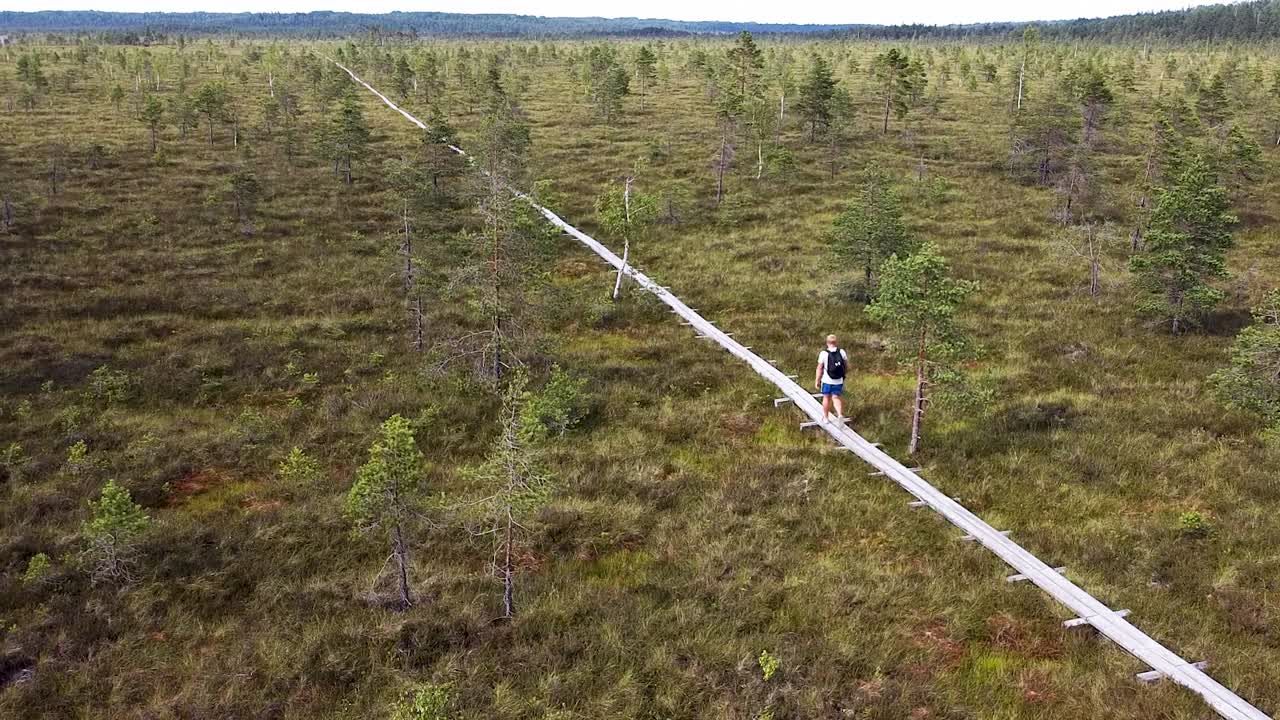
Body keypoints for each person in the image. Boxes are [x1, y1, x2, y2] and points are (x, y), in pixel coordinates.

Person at [814, 334, 849, 423]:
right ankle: (840, 414)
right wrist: (843, 375)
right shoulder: (841, 352)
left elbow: (819, 368)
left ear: (827, 343)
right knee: (836, 397)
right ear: (836, 342)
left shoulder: (823, 353)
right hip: (838, 380)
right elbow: (846, 365)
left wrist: (817, 380)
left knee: (826, 398)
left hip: (827, 380)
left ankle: (826, 418)